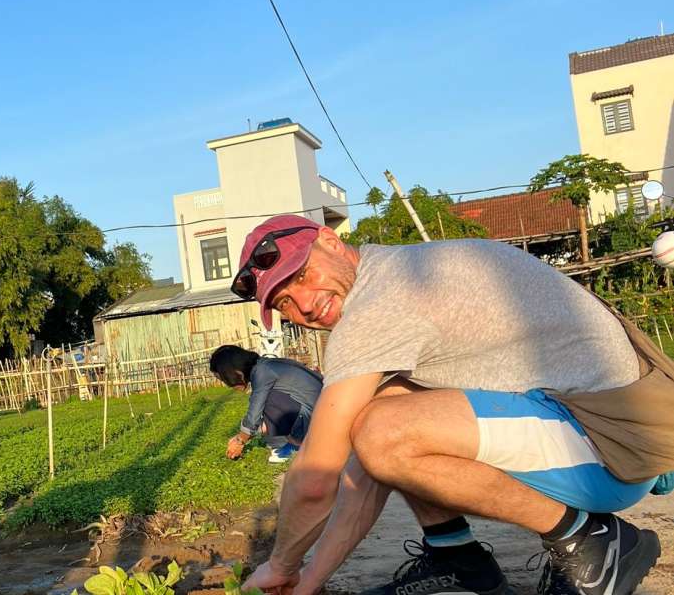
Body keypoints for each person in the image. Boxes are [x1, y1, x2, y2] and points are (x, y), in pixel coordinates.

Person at [234, 214, 664, 595]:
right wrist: (307, 582)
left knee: (384, 432)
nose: (305, 304)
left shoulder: (378, 305)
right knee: (384, 411)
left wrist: (281, 564)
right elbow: (361, 477)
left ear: (330, 242)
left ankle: (591, 541)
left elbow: (316, 478)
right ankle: (459, 560)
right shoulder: (398, 270)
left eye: (303, 276)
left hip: (613, 446)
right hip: (621, 431)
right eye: (284, 302)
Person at [208, 345, 322, 464]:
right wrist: (241, 436)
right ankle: (292, 441)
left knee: (268, 399)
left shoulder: (263, 373)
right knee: (264, 403)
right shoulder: (266, 366)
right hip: (319, 411)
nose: (226, 384)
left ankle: (296, 445)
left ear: (235, 372)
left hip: (315, 418)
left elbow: (254, 414)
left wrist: (240, 440)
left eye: (223, 378)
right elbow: (260, 422)